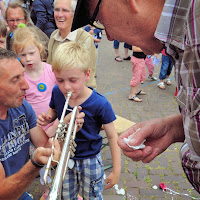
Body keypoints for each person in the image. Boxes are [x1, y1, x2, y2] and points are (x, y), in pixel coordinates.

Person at [72, 0, 200, 193]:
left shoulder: (195, 36)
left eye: (100, 20)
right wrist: (174, 128)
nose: (109, 36)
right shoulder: (186, 36)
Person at [37, 41, 121, 199]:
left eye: (73, 80)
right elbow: (54, 111)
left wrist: (116, 170)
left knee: (92, 196)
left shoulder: (100, 103)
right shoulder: (57, 92)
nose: (66, 87)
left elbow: (112, 136)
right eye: (60, 80)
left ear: (87, 75)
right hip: (65, 158)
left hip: (90, 158)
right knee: (66, 195)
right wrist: (49, 117)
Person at [0, 47, 61, 200]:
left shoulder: (21, 106)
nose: (26, 86)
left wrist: (64, 127)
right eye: (15, 79)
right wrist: (35, 164)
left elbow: (44, 145)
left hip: (18, 191)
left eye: (23, 76)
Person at [12, 26, 59, 199]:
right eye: (23, 55)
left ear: (40, 49)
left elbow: (59, 98)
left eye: (31, 53)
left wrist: (55, 124)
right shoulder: (22, 77)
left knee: (57, 157)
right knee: (41, 160)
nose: (28, 58)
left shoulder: (51, 70)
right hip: (34, 129)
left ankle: (61, 184)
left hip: (54, 124)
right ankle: (47, 186)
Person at [47, 0, 97, 89]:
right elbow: (49, 70)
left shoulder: (84, 39)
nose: (59, 15)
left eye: (65, 10)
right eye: (57, 10)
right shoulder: (54, 36)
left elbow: (88, 78)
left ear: (74, 14)